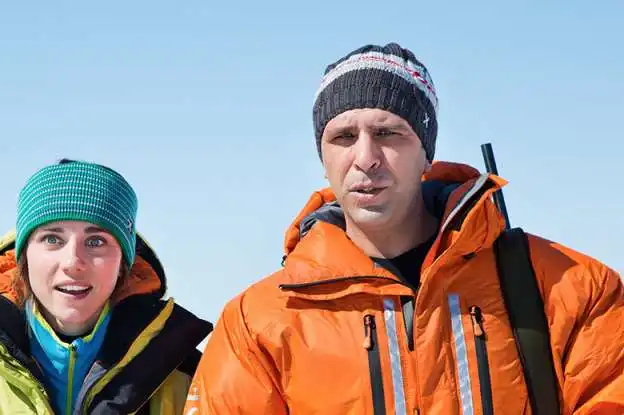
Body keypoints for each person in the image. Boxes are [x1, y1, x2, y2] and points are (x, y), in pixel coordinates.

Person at [184, 43, 624, 414]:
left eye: (389, 134)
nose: (366, 157)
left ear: (426, 153)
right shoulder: (259, 321)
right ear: (323, 160)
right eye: (342, 137)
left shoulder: (569, 288)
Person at [0, 159, 212, 414]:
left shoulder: (183, 376)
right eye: (52, 239)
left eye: (96, 241)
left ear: (124, 263)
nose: (73, 262)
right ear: (24, 255)